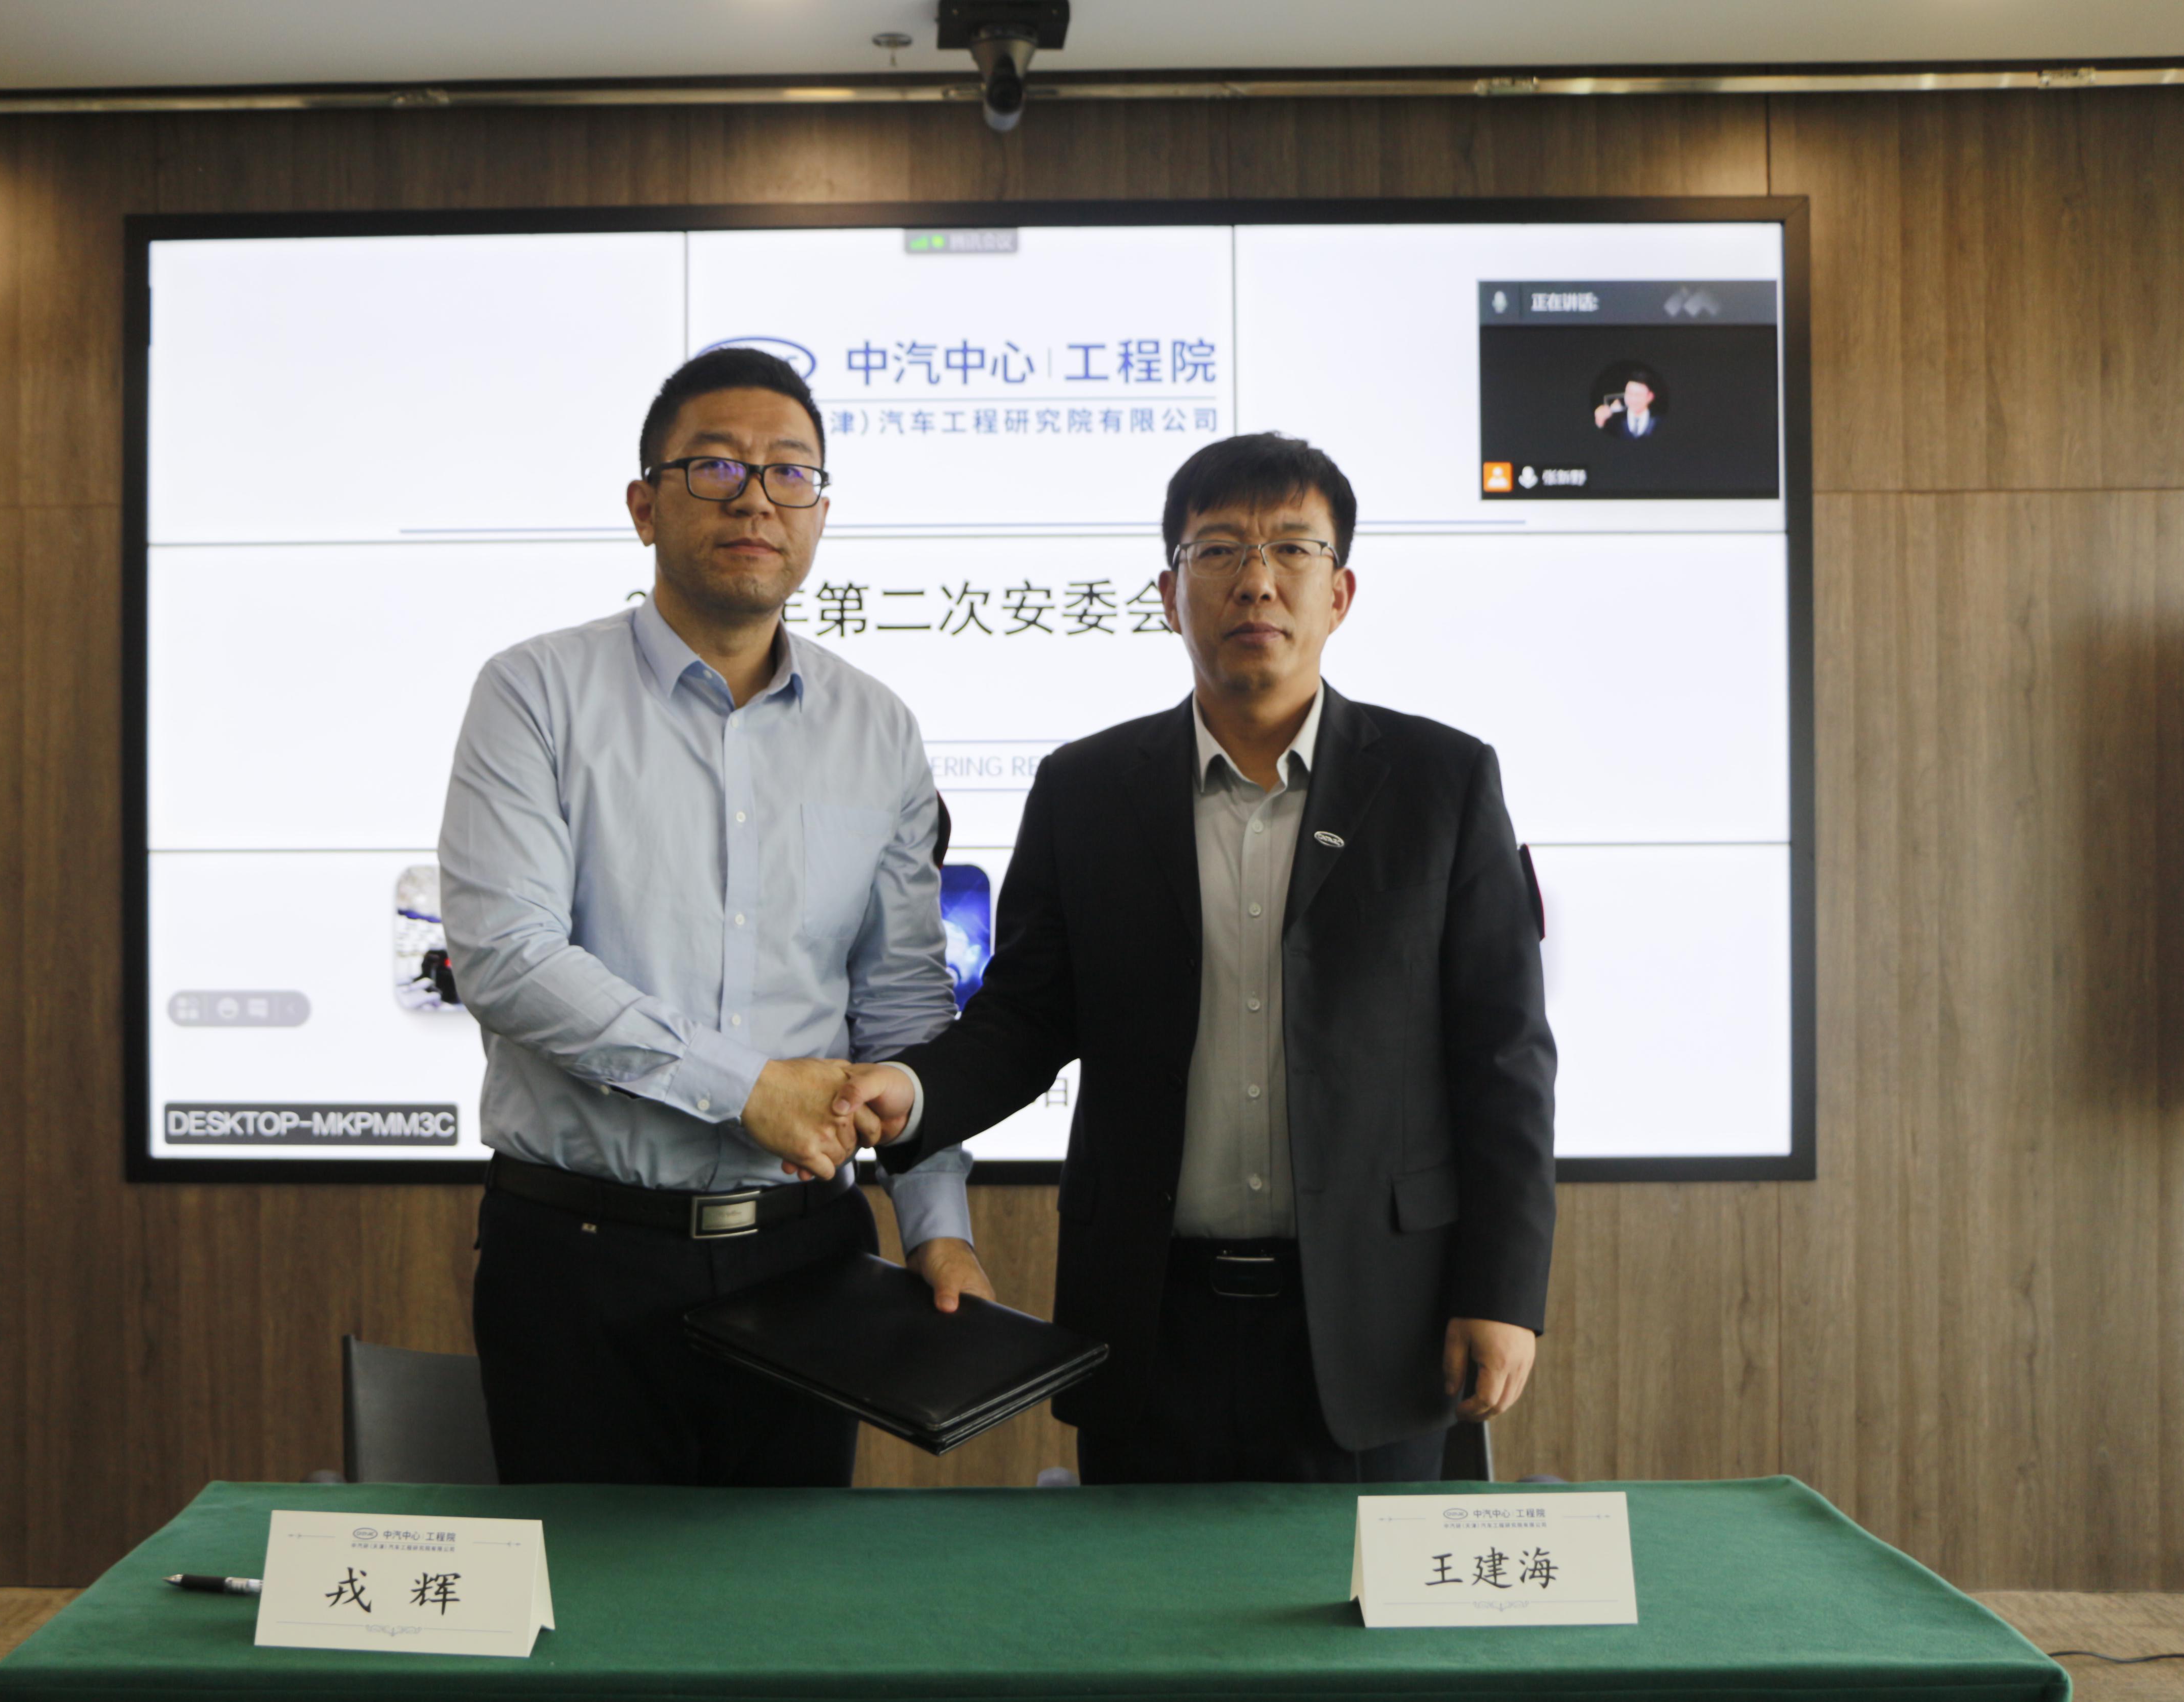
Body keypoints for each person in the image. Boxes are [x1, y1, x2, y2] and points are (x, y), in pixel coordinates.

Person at [839, 432, 1556, 1485]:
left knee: (1367, 1599)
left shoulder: (1441, 783)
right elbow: (1025, 1021)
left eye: (1292, 549)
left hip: (1375, 1318)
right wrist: (907, 1091)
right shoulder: (1086, 790)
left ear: (1340, 592)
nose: (1256, 580)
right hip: (1150, 1322)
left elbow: (1503, 1057)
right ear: (1170, 595)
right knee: (1144, 1594)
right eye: (1218, 550)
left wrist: (1502, 1291)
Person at [437, 345, 993, 1487]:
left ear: (821, 512)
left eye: (791, 471)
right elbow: (509, 960)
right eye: (717, 467)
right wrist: (749, 1087)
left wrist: (939, 1225)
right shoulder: (533, 692)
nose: (756, 498)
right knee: (587, 1591)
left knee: (788, 1591)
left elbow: (901, 1003)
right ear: (645, 505)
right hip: (578, 1260)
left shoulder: (877, 727)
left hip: (807, 1264)